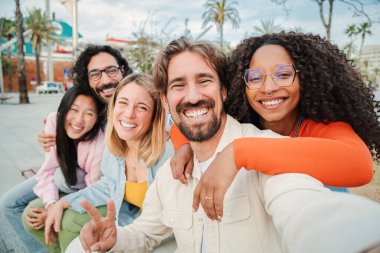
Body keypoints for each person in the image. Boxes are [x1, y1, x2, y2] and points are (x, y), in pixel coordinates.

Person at [67, 38, 380, 253]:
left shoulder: (271, 152)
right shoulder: (171, 172)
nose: (269, 87)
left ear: (225, 90)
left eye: (204, 81)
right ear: (165, 100)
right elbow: (148, 232)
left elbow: (305, 205)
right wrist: (116, 238)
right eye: (178, 85)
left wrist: (355, 237)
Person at [170, 32, 380, 220]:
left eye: (283, 74)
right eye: (255, 77)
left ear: (304, 78)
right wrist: (183, 146)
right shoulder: (242, 118)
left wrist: (238, 152)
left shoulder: (319, 125)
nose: (268, 88)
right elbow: (190, 119)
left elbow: (360, 165)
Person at [31, 73, 173, 252]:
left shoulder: (168, 153)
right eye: (123, 103)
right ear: (113, 107)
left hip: (163, 237)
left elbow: (166, 224)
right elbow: (108, 185)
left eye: (142, 107)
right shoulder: (115, 147)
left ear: (154, 115)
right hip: (128, 228)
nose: (129, 114)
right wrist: (63, 202)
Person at [0, 85, 105, 253]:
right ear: (63, 109)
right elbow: (48, 170)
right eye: (74, 110)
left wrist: (59, 208)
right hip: (60, 177)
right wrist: (50, 205)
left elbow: (93, 186)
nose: (79, 120)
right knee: (10, 204)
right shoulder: (54, 121)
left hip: (81, 185)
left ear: (97, 118)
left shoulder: (99, 140)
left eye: (89, 113)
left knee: (58, 218)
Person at [38, 44, 133, 151]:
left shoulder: (147, 102)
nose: (106, 80)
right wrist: (53, 135)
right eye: (95, 74)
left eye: (111, 70)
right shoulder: (94, 112)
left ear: (122, 71)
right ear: (87, 80)